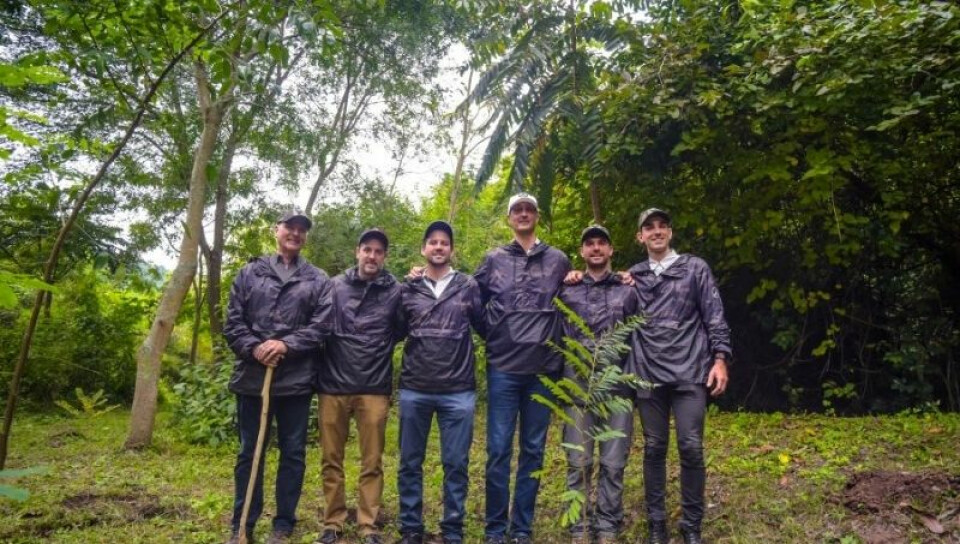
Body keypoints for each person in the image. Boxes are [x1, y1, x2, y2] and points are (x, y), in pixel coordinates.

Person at [223, 209, 330, 544]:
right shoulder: (250, 273)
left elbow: (321, 327)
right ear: (276, 230)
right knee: (249, 452)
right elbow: (233, 323)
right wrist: (255, 348)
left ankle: (283, 524)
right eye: (289, 227)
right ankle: (242, 524)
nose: (295, 233)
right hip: (253, 379)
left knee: (293, 453)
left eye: (301, 230)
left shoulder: (317, 278)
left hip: (296, 381)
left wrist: (285, 344)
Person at [627, 208, 731, 544]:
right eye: (649, 227)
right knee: (654, 447)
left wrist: (720, 359)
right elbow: (603, 298)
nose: (656, 231)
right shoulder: (633, 277)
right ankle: (657, 524)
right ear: (640, 237)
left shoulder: (695, 268)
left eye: (662, 226)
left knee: (691, 447)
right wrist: (574, 276)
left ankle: (691, 526)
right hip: (647, 373)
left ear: (670, 233)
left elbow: (714, 315)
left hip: (691, 371)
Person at [475, 193, 572, 544]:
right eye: (517, 209)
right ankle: (495, 529)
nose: (524, 214)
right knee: (498, 450)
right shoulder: (493, 259)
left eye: (529, 209)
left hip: (543, 369)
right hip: (503, 367)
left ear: (537, 216)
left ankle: (521, 529)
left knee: (533, 450)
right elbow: (470, 300)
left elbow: (576, 297)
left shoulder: (559, 260)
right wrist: (494, 333)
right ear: (509, 218)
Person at [394, 220, 486, 544]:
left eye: (444, 242)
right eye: (432, 242)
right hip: (414, 388)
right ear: (423, 249)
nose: (438, 246)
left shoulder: (468, 286)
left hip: (458, 391)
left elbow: (485, 327)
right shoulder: (409, 289)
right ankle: (410, 528)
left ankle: (453, 529)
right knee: (409, 462)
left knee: (456, 463)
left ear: (451, 250)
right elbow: (394, 330)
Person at [314, 228, 402, 544]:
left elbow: (402, 329)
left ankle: (368, 524)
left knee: (372, 460)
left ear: (384, 257)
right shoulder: (334, 286)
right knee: (331, 458)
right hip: (333, 385)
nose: (372, 256)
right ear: (357, 252)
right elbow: (318, 327)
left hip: (374, 387)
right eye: (367, 249)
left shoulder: (396, 291)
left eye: (378, 251)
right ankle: (333, 521)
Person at [557, 225, 640, 544]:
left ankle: (608, 523)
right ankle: (579, 524)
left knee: (614, 461)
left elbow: (638, 335)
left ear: (610, 250)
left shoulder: (628, 290)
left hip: (618, 388)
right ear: (581, 251)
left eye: (601, 243)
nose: (595, 248)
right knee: (578, 460)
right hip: (578, 388)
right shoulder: (567, 290)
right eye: (589, 244)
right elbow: (556, 335)